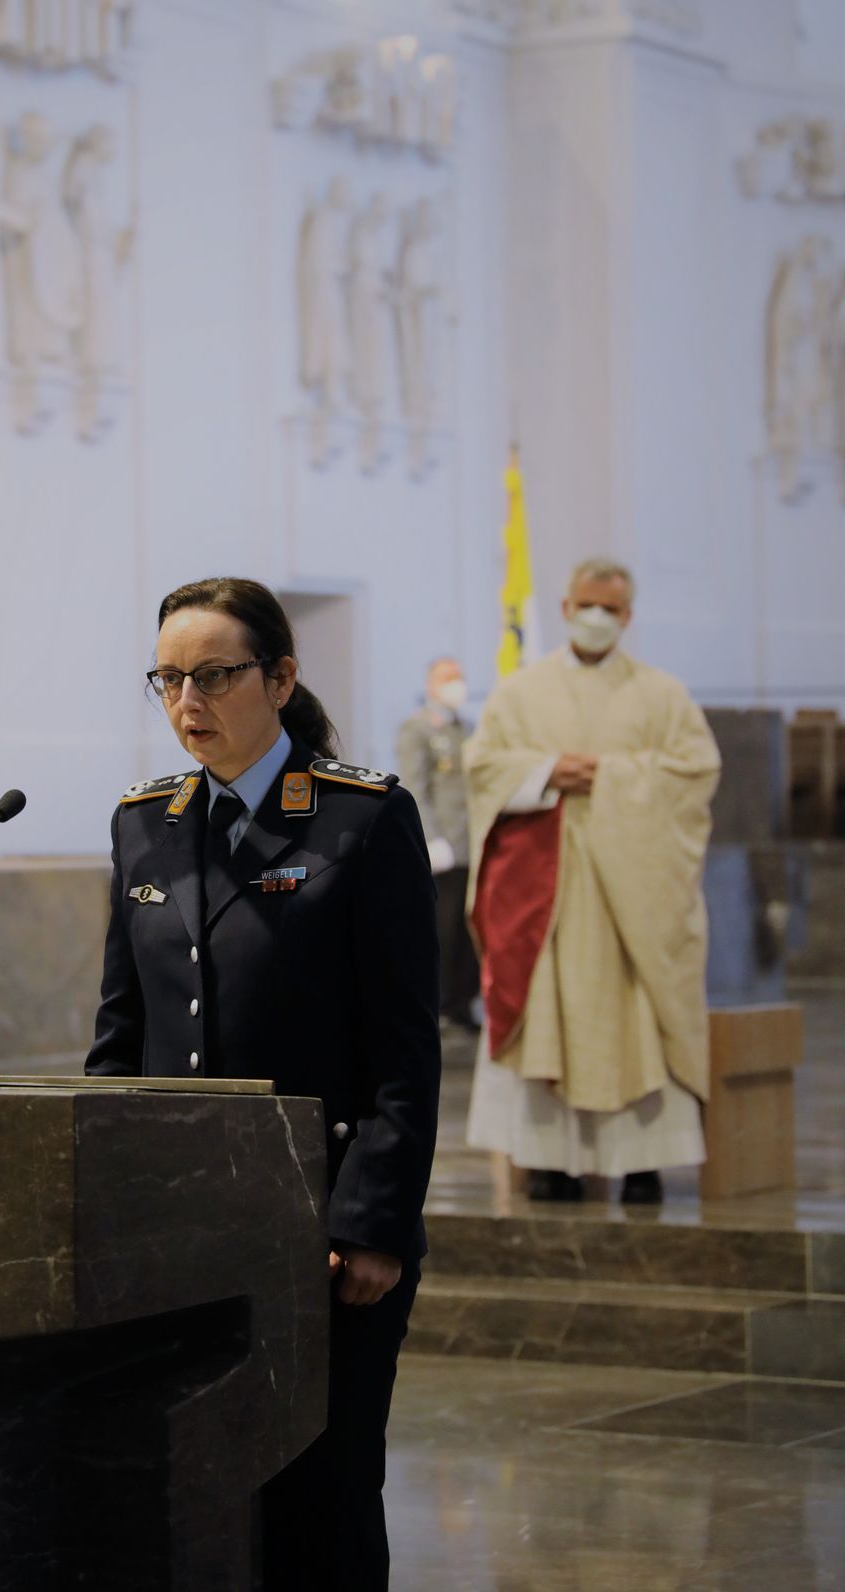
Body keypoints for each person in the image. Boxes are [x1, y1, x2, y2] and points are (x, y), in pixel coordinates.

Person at [87, 577, 440, 1591]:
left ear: (280, 678)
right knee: (185, 1490)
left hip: (322, 1226)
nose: (186, 701)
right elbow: (122, 1033)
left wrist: (372, 1221)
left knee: (317, 1493)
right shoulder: (144, 825)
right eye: (167, 679)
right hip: (179, 1222)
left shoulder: (361, 819)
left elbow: (404, 1048)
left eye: (213, 675)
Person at [463, 558, 720, 1205]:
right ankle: (553, 1161)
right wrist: (547, 772)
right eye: (587, 604)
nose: (598, 617)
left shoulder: (662, 695)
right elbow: (483, 768)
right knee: (551, 1020)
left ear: (628, 616)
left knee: (636, 1025)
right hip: (547, 899)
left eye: (612, 608)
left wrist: (609, 777)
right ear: (566, 607)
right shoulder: (520, 693)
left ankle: (641, 1162)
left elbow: (694, 774)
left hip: (632, 899)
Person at [396, 656, 480, 1033]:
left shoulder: (467, 729)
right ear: (430, 685)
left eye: (458, 677)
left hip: (472, 847)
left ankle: (463, 1004)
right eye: (447, 678)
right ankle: (442, 1009)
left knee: (469, 930)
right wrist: (430, 838)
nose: (455, 684)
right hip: (443, 849)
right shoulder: (418, 729)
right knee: (443, 931)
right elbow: (415, 785)